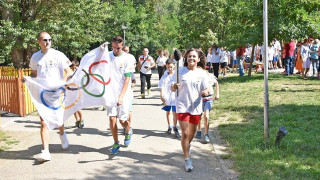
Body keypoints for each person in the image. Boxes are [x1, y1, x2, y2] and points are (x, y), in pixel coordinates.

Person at [27, 32, 72, 161]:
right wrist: (29, 80)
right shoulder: (35, 57)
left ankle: (62, 134)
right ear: (39, 42)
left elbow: (68, 72)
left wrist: (61, 84)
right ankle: (46, 151)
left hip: (57, 93)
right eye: (45, 40)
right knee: (43, 122)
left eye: (50, 40)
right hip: (43, 94)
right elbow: (34, 74)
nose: (47, 42)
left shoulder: (58, 55)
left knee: (58, 119)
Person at [171, 48, 210, 172]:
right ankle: (187, 159)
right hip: (182, 105)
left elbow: (209, 89)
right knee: (185, 133)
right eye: (189, 56)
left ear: (198, 59)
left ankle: (187, 144)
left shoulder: (202, 73)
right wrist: (174, 86)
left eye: (194, 57)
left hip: (196, 107)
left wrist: (205, 92)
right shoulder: (179, 71)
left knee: (191, 133)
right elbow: (172, 87)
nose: (191, 58)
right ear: (186, 58)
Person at [105, 36, 135, 155]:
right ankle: (116, 142)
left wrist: (121, 96)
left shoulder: (128, 58)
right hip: (110, 93)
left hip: (124, 94)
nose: (115, 50)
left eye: (117, 48)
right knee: (112, 118)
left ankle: (128, 130)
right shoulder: (107, 55)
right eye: (113, 47)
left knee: (123, 120)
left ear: (122, 46)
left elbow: (127, 79)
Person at [195, 67, 219, 143]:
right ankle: (199, 130)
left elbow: (216, 83)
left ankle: (206, 134)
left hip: (208, 98)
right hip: (199, 99)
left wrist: (217, 94)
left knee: (206, 116)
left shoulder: (209, 75)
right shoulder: (196, 77)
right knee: (199, 115)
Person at [158, 59, 180, 137]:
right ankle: (169, 126)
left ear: (174, 66)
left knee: (175, 113)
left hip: (175, 97)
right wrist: (161, 96)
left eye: (171, 67)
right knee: (168, 112)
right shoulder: (164, 76)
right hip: (167, 97)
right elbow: (161, 87)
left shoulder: (177, 76)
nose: (169, 69)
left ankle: (175, 126)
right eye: (168, 67)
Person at [122, 45, 136, 130]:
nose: (126, 52)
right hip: (119, 90)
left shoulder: (131, 57)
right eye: (124, 50)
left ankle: (128, 127)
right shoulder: (118, 59)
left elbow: (133, 69)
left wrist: (133, 81)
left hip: (128, 90)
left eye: (127, 50)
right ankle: (125, 126)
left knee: (129, 110)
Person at [70, 60, 84, 128]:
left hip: (78, 92)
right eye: (72, 67)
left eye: (73, 67)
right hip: (72, 91)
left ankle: (81, 120)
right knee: (73, 108)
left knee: (78, 107)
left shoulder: (80, 72)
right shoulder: (71, 72)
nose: (72, 68)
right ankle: (77, 120)